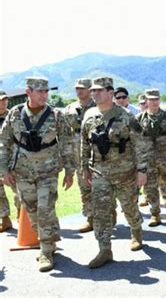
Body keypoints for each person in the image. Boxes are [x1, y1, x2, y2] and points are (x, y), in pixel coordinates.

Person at [0, 77, 74, 272]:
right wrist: (4, 171)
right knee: (31, 210)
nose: (44, 95)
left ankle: (46, 250)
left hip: (48, 171)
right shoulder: (15, 114)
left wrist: (69, 171)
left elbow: (67, 143)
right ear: (28, 92)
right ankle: (50, 238)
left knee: (45, 208)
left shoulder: (56, 115)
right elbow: (4, 143)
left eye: (46, 91)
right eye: (39, 91)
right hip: (22, 172)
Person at [81, 77, 149, 269]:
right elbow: (84, 144)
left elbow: (140, 144)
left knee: (129, 208)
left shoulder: (126, 116)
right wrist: (84, 168)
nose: (94, 94)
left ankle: (136, 230)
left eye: (99, 90)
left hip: (125, 173)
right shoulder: (89, 115)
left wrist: (142, 170)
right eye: (93, 91)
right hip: (99, 173)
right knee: (101, 212)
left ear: (110, 93)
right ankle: (104, 249)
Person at [137, 88, 166, 225]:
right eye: (151, 99)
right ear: (146, 101)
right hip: (148, 160)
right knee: (150, 187)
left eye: (156, 99)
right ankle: (155, 214)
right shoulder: (140, 119)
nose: (154, 102)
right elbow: (135, 140)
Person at [63, 78, 97, 233]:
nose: (79, 91)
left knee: (101, 187)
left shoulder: (98, 107)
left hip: (96, 152)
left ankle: (109, 214)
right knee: (84, 187)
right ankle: (90, 217)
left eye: (82, 88)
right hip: (77, 153)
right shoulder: (69, 109)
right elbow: (63, 134)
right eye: (77, 88)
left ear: (90, 90)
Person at [0, 90, 20, 233]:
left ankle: (23, 215)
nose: (3, 103)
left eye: (5, 100)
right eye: (0, 100)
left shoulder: (14, 116)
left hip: (13, 159)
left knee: (19, 189)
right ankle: (5, 219)